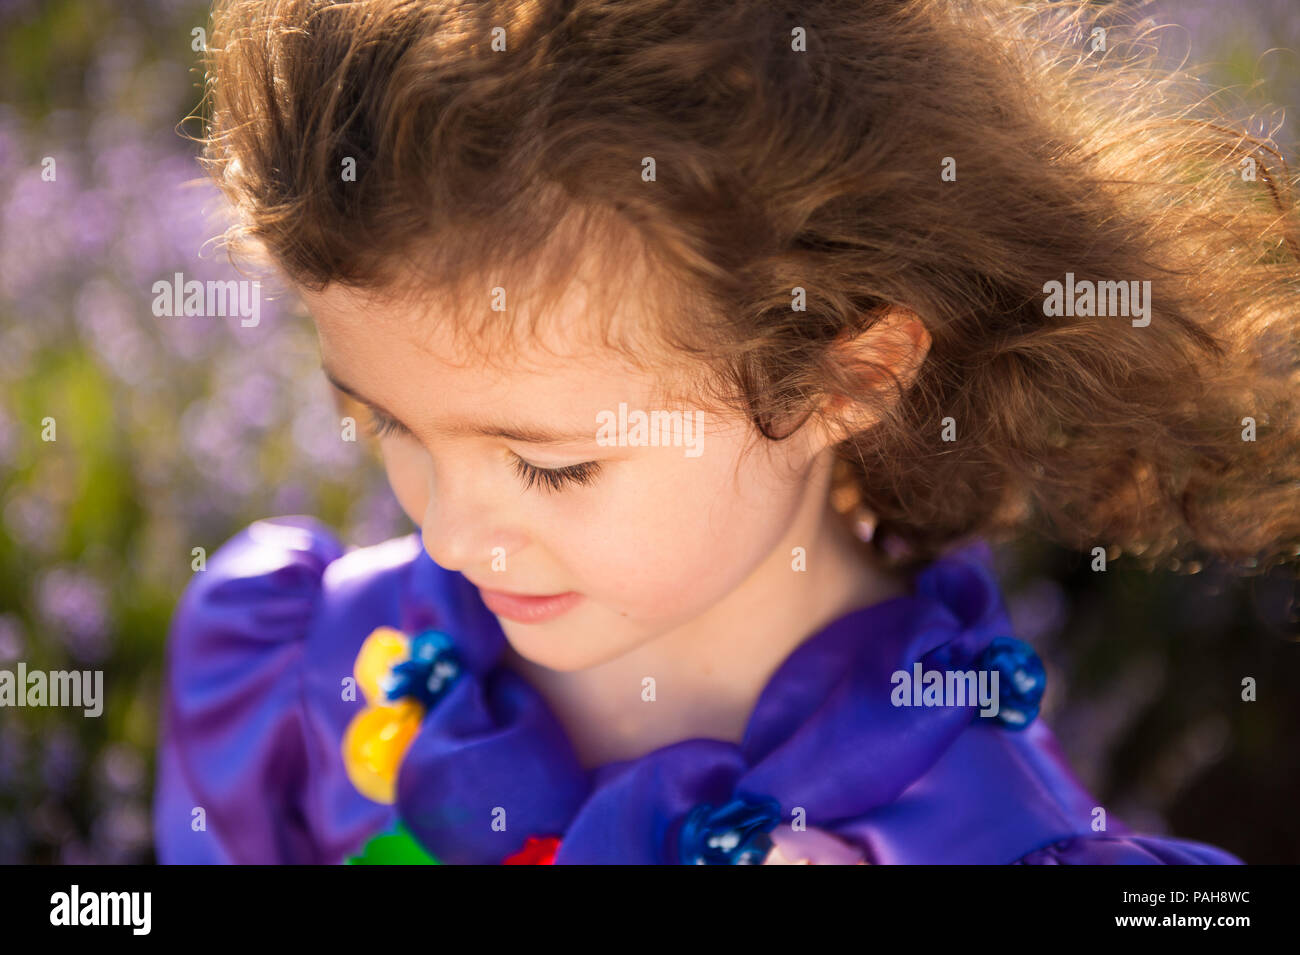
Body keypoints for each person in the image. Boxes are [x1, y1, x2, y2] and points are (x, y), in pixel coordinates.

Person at [154, 0, 1300, 864]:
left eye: (554, 468)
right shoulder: (315, 666)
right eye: (381, 420)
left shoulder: (973, 830)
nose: (448, 535)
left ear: (842, 380)